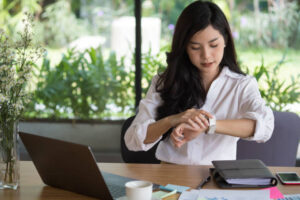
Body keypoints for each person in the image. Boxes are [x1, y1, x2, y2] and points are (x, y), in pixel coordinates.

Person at [124, 0, 274, 165]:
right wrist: (172, 120)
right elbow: (132, 139)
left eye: (213, 45)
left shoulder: (241, 85)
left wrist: (209, 124)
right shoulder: (165, 82)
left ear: (225, 40)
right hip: (169, 175)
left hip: (218, 177)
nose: (206, 55)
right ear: (184, 48)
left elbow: (265, 127)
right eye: (195, 47)